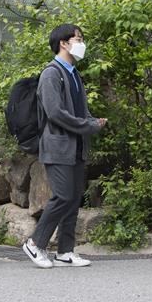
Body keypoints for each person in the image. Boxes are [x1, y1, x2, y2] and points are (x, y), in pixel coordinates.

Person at [22, 24, 106, 269]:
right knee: (63, 195)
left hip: (77, 145)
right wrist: (87, 125)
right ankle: (35, 243)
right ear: (63, 43)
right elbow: (55, 113)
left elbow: (80, 108)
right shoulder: (52, 73)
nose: (81, 43)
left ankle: (65, 250)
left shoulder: (74, 73)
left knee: (73, 198)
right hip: (57, 145)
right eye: (78, 39)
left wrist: (92, 121)